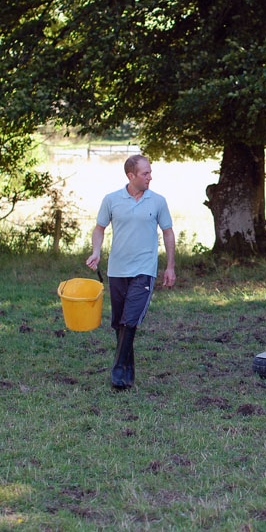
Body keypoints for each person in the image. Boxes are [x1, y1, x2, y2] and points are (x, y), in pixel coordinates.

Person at [86, 154, 176, 389]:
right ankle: (128, 373)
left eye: (150, 171)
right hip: (117, 270)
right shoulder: (111, 200)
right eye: (145, 173)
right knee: (119, 323)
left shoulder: (158, 201)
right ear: (131, 176)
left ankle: (117, 371)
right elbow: (99, 228)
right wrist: (96, 251)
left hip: (144, 270)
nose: (150, 176)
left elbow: (168, 232)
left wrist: (170, 267)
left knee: (131, 319)